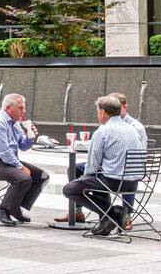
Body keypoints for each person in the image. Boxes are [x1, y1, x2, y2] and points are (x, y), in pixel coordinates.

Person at [62, 95, 146, 236]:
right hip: (133, 183)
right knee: (95, 179)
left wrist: (82, 179)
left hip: (113, 182)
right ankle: (106, 219)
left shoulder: (102, 131)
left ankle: (113, 212)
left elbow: (93, 165)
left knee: (70, 189)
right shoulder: (132, 129)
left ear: (102, 112)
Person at [0, 92, 48, 226]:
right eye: (20, 107)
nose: (24, 111)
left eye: (24, 107)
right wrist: (20, 167)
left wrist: (30, 137)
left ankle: (15, 208)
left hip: (5, 162)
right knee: (23, 178)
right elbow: (3, 152)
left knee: (42, 176)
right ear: (8, 108)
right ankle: (2, 209)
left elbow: (23, 146)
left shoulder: (14, 123)